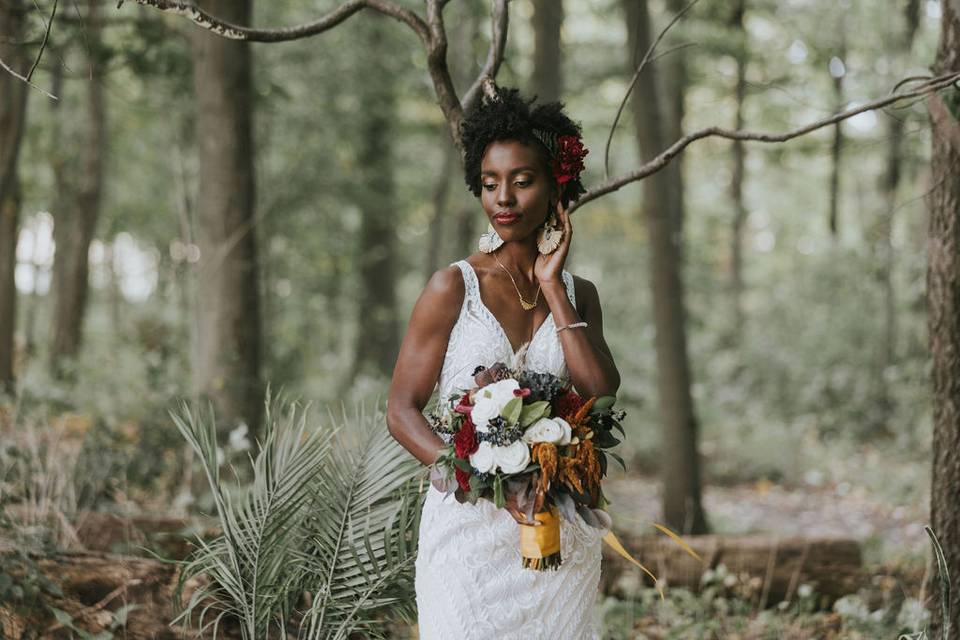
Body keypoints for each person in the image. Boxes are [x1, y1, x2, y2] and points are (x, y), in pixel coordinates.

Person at [386, 87, 621, 639]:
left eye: (522, 180)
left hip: (556, 533)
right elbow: (401, 410)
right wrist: (468, 474)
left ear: (556, 185)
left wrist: (552, 288)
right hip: (466, 535)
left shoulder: (578, 293)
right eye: (490, 184)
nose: (504, 198)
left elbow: (599, 394)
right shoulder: (452, 287)